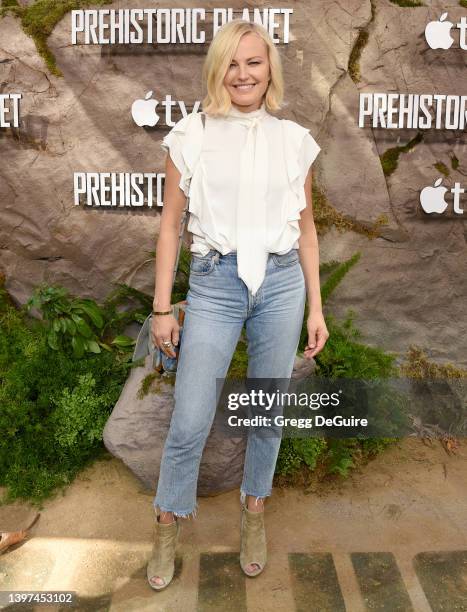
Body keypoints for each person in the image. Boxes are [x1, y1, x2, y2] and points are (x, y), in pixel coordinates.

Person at [147, 18, 329, 590]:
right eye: (232, 63)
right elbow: (171, 227)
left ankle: (253, 511)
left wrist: (316, 308)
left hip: (281, 286)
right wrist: (160, 308)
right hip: (216, 283)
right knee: (191, 418)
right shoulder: (191, 134)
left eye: (254, 61)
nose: (243, 73)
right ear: (217, 70)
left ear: (269, 68)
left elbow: (305, 230)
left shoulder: (293, 140)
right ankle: (167, 524)